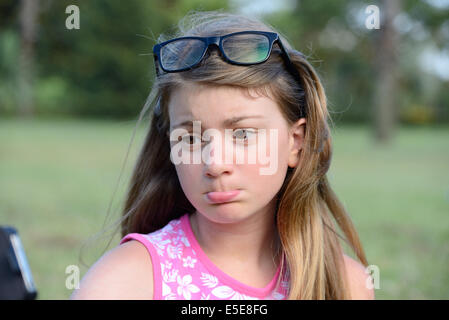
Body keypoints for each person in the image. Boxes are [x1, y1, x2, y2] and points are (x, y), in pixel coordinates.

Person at [71, 10, 375, 300]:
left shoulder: (343, 284)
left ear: (295, 142)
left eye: (243, 134)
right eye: (190, 138)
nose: (215, 164)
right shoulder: (126, 281)